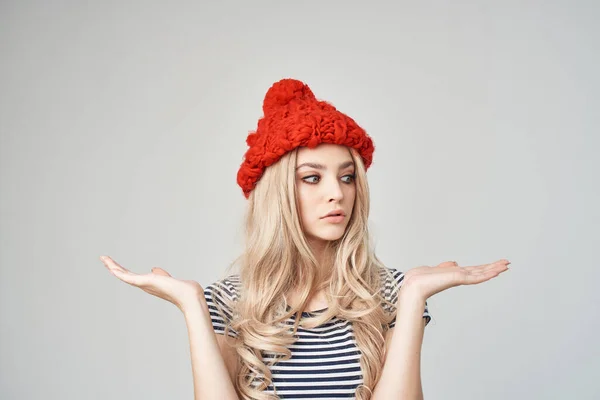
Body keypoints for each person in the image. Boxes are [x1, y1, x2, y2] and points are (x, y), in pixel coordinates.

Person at [100, 78, 510, 400]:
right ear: (278, 192)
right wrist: (192, 305)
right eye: (312, 178)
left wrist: (415, 295)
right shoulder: (226, 302)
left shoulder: (391, 293)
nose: (337, 192)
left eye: (347, 176)